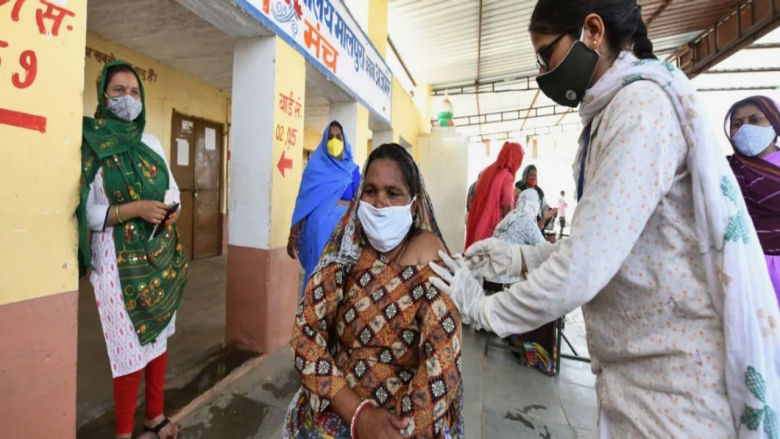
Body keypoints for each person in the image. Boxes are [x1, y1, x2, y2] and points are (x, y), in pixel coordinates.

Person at [429, 1, 780, 437]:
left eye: (545, 55)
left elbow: (583, 267)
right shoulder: (611, 113)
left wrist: (483, 308)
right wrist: (517, 257)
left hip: (676, 389)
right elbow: (612, 247)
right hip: (640, 379)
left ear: (592, 31)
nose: (542, 72)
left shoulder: (640, 110)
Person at [283, 143, 464, 439]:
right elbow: (304, 337)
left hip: (405, 422)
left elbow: (442, 363)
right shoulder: (346, 252)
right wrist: (359, 414)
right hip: (341, 406)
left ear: (414, 204)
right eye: (370, 191)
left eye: (393, 193)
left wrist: (400, 430)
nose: (379, 203)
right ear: (359, 196)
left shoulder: (431, 256)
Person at [76, 61, 186, 439]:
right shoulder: (92, 144)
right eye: (118, 90)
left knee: (157, 336)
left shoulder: (151, 143)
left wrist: (170, 212)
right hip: (115, 263)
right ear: (103, 95)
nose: (128, 98)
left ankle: (153, 416)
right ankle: (124, 433)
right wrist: (133, 210)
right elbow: (86, 212)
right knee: (127, 349)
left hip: (157, 257)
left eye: (134, 91)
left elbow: (173, 192)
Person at [288, 121, 360, 296]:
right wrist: (293, 234)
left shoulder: (353, 171)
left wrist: (342, 204)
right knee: (316, 284)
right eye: (330, 137)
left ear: (344, 140)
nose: (334, 141)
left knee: (339, 286)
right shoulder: (314, 169)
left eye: (338, 137)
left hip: (343, 239)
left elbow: (360, 202)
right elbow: (303, 203)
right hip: (317, 238)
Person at [490, 189, 557, 375]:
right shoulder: (527, 221)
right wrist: (553, 242)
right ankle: (529, 345)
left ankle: (515, 334)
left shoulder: (512, 216)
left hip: (491, 278)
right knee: (544, 294)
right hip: (506, 281)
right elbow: (544, 249)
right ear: (534, 205)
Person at [725, 96, 780, 304]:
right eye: (737, 124)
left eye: (755, 120)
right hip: (743, 267)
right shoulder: (725, 169)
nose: (745, 129)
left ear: (774, 123)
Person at [464, 141, 524, 249]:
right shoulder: (507, 178)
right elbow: (507, 210)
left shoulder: (489, 172)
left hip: (477, 228)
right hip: (491, 233)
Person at [517, 165, 557, 232]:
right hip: (522, 223)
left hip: (538, 224)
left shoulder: (539, 191)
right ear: (525, 176)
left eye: (535, 175)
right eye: (530, 175)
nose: (533, 177)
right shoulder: (519, 189)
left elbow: (544, 205)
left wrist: (551, 210)